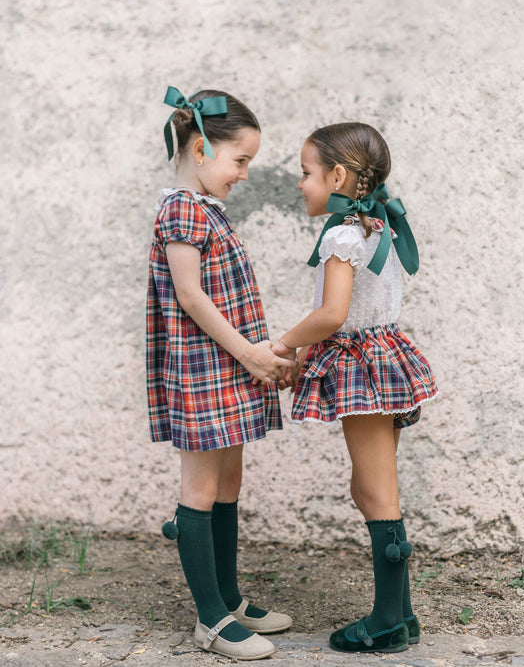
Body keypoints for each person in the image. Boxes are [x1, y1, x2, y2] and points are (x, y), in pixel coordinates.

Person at [273, 122, 438, 654]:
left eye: (306, 172)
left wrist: (286, 345)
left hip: (363, 367)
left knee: (374, 492)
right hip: (385, 360)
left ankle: (388, 619)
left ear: (338, 175)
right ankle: (403, 613)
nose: (300, 183)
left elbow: (332, 313)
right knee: (375, 487)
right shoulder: (377, 227)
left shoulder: (345, 235)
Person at [146, 86, 294, 660]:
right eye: (241, 160)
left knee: (228, 481)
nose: (246, 173)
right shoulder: (182, 207)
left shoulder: (206, 208)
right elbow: (190, 295)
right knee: (202, 488)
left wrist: (255, 353)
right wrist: (251, 354)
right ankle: (210, 619)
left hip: (225, 366)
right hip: (204, 370)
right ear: (202, 148)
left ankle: (228, 597)